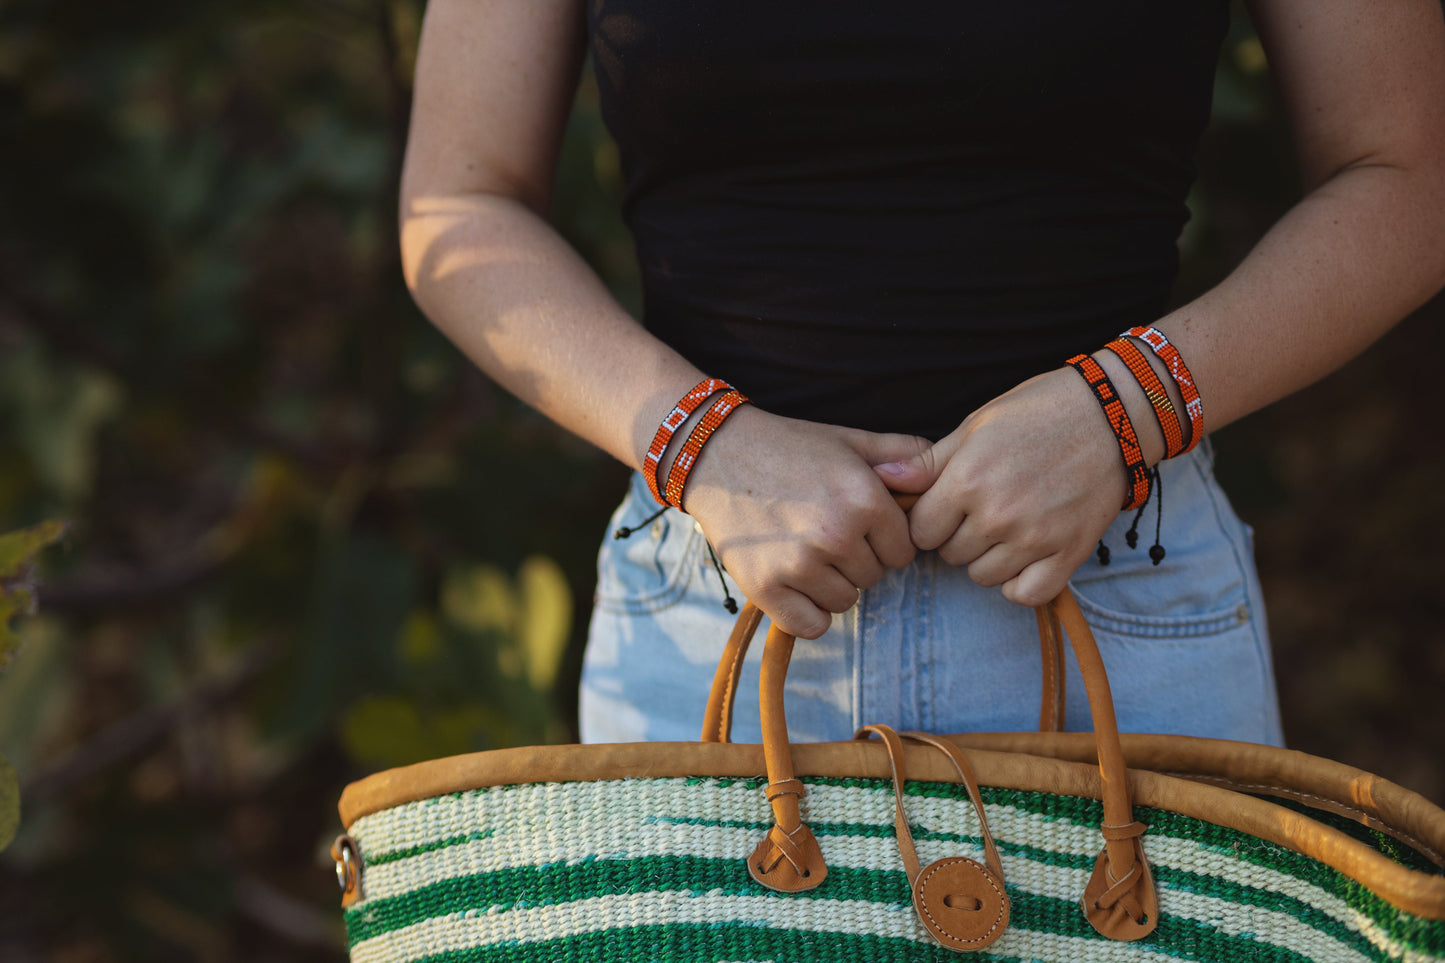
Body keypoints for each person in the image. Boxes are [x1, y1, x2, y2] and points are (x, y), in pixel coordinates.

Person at [397, 0, 1445, 746]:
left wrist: (1119, 410)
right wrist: (703, 443)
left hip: (1120, 612)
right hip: (712, 611)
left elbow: (1404, 178)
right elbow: (459, 203)